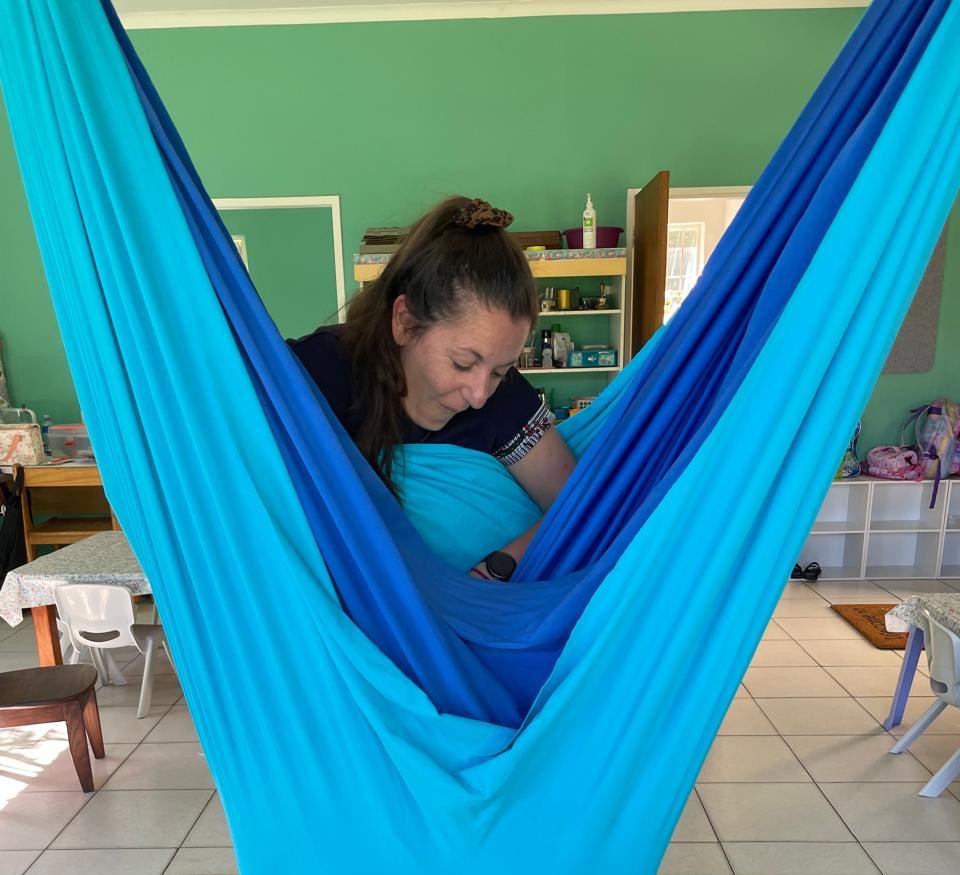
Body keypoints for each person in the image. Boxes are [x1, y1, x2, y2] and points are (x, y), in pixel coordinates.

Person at [290, 195, 576, 580]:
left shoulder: (504, 395)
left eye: (500, 371)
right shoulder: (320, 372)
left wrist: (497, 568)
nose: (479, 395)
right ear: (405, 322)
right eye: (463, 363)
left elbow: (578, 506)